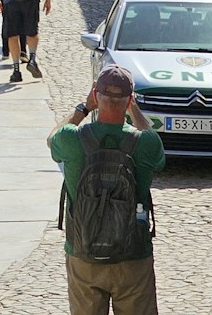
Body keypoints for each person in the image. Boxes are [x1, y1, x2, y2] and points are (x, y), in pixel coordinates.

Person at [48, 65, 165, 314]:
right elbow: (155, 148)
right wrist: (133, 109)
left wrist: (84, 107)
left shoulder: (71, 138)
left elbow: (51, 139)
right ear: (130, 99)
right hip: (133, 254)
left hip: (83, 252)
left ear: (95, 94)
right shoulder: (145, 143)